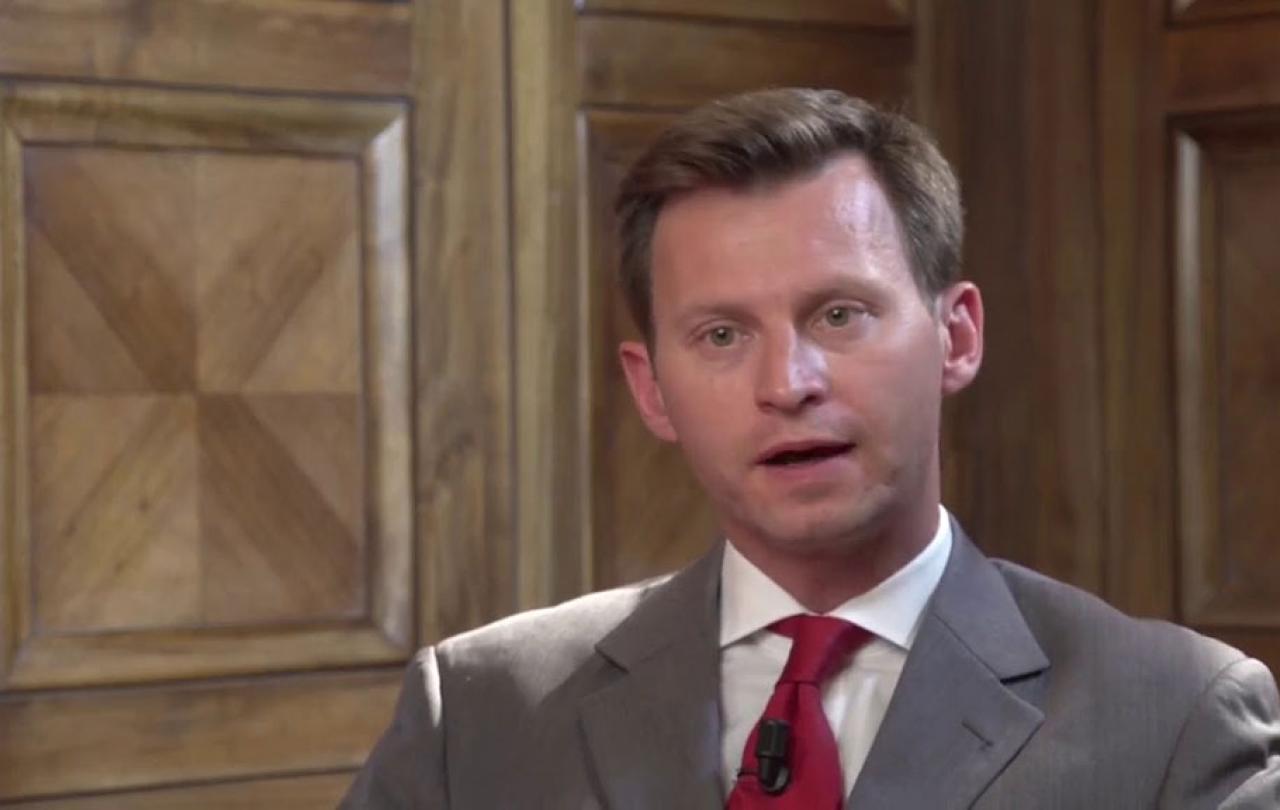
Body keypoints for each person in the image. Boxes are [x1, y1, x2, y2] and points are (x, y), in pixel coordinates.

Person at [339, 88, 1280, 809]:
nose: (788, 382)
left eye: (839, 314)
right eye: (720, 335)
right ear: (650, 388)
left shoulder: (1177, 723)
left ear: (956, 336)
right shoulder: (475, 714)